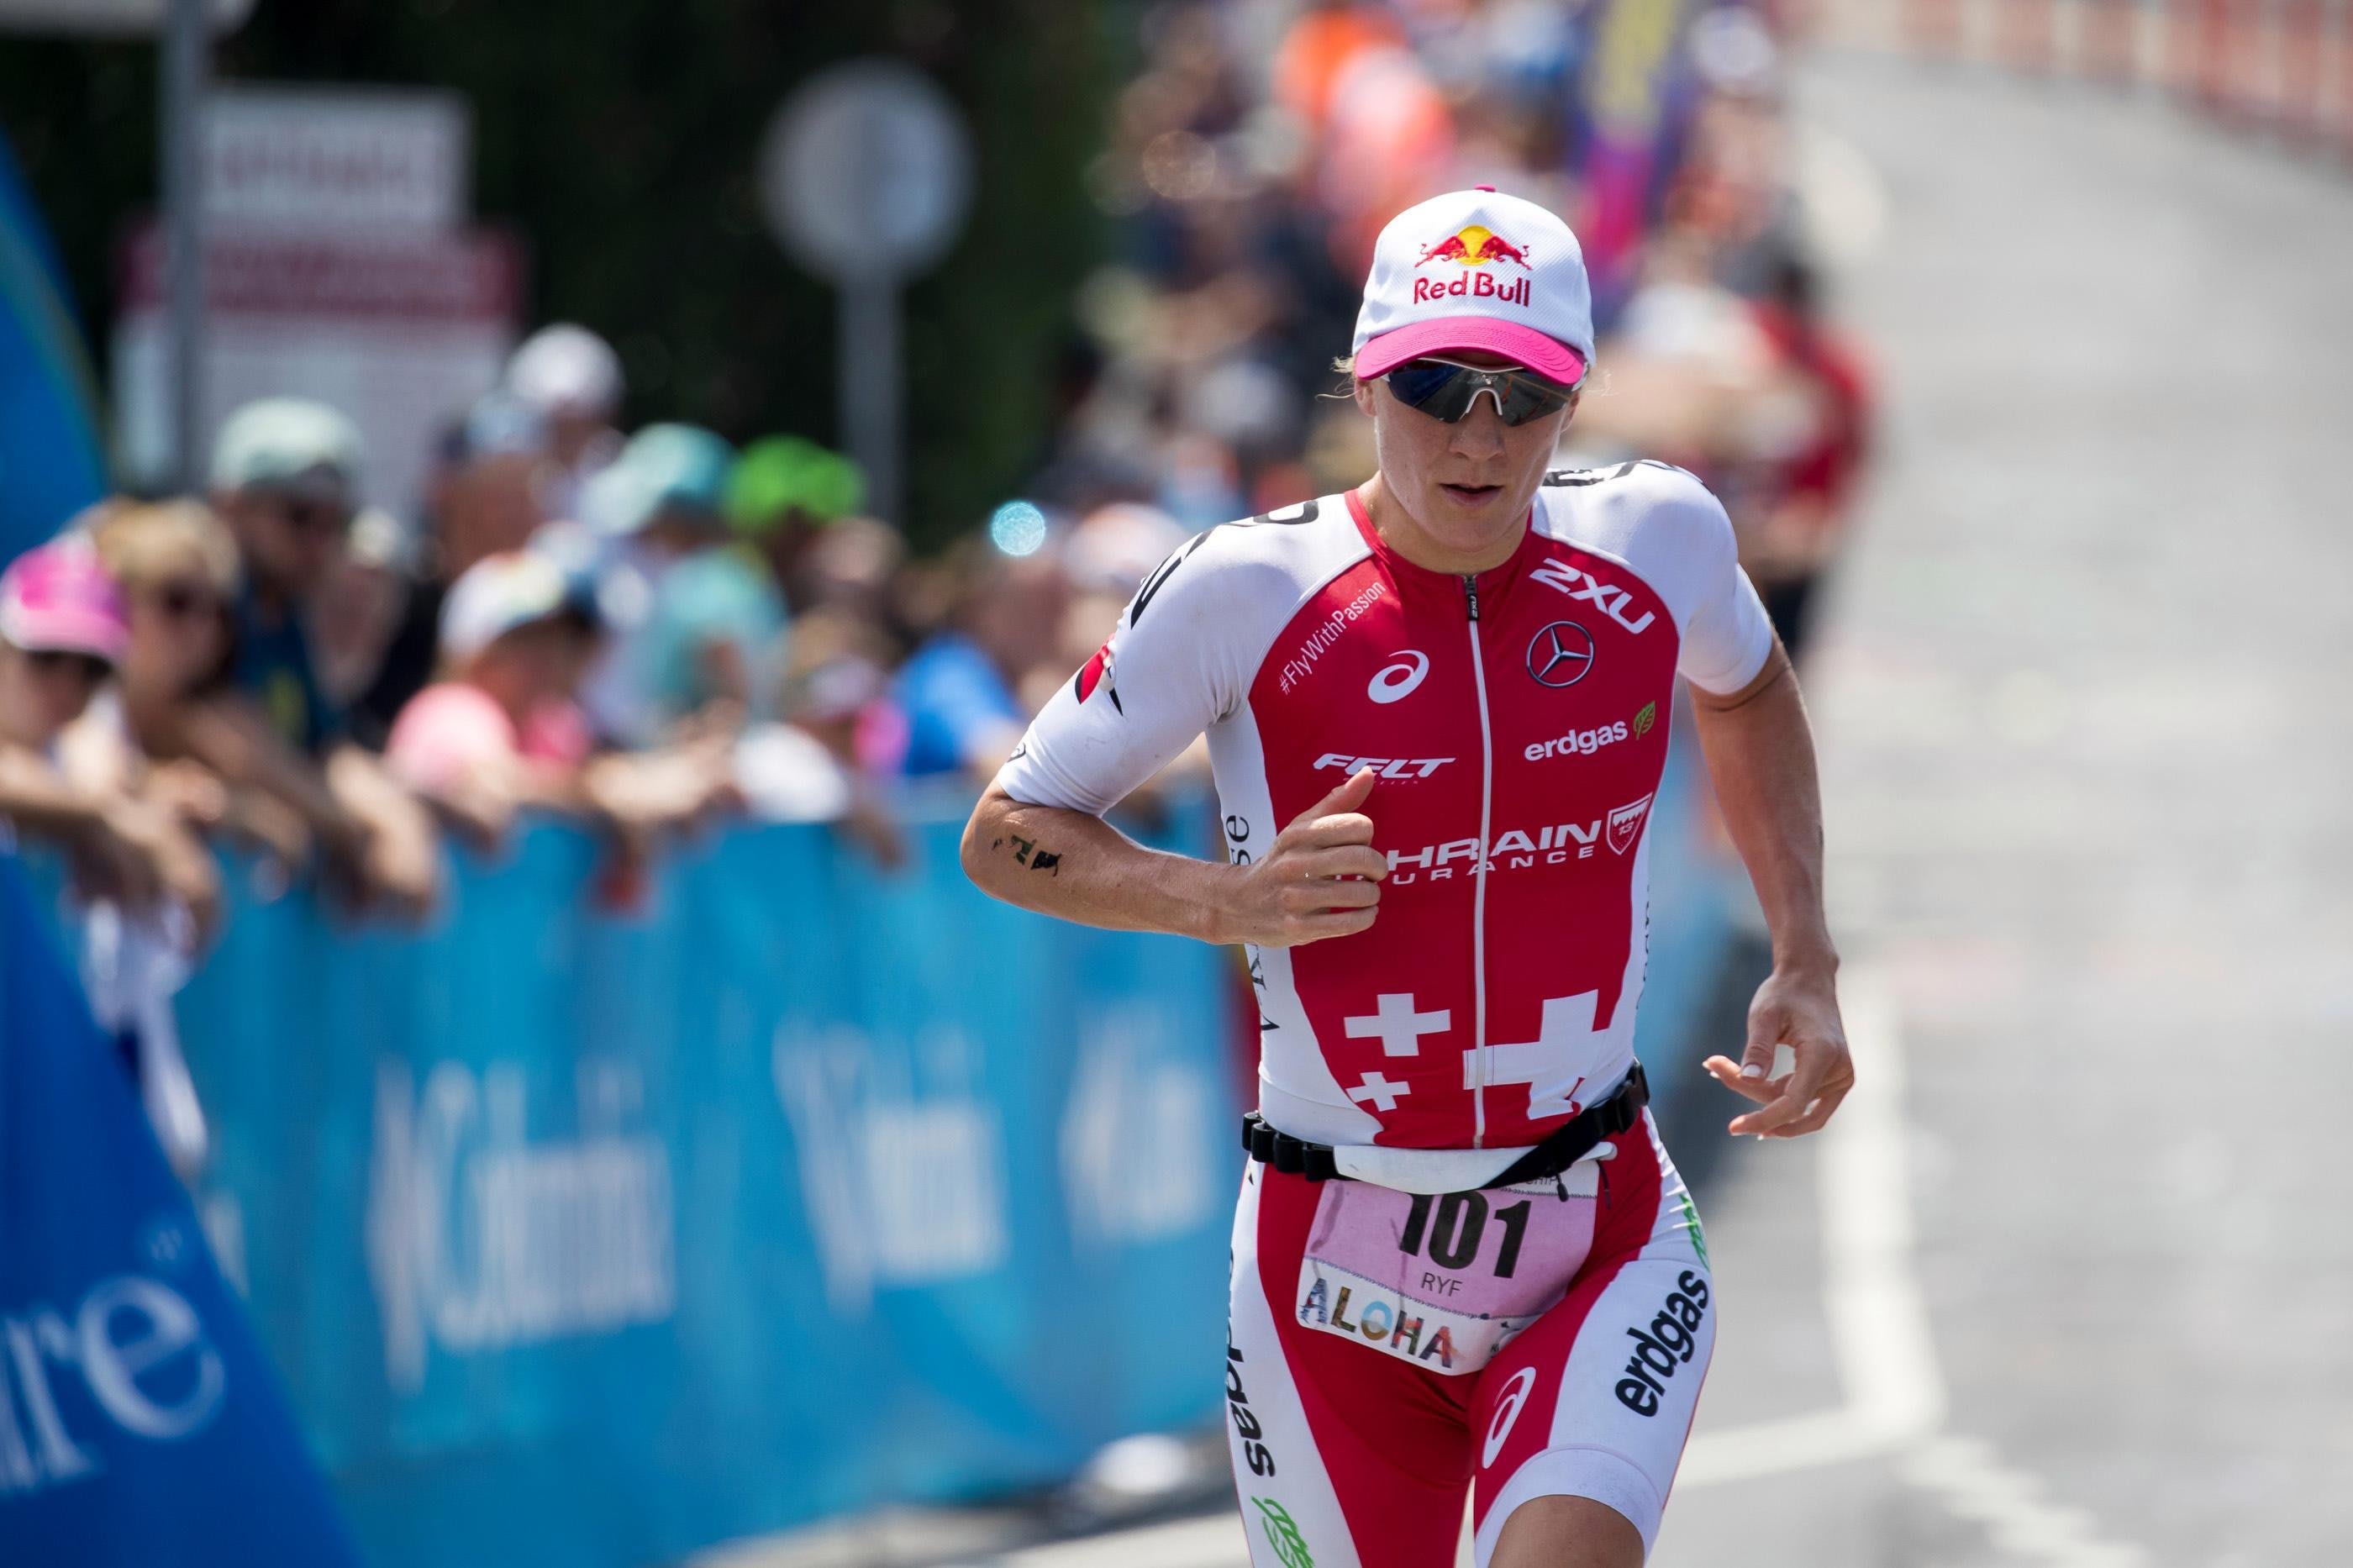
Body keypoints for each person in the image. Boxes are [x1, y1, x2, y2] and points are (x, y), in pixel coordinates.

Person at [962, 188, 1852, 1568]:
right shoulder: (1244, 588)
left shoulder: (1657, 536)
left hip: (1598, 1219)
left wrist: (1803, 952)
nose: (1479, 436)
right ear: (1365, 383)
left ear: (1575, 398)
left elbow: (1745, 687)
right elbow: (1007, 829)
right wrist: (1224, 901)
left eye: (1524, 394)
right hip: (1327, 1254)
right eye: (1438, 387)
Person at [204, 398, 439, 917]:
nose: (319, 541)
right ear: (230, 506)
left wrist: (395, 820)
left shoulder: (284, 616)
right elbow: (205, 724)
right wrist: (347, 826)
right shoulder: (195, 600)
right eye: (299, 514)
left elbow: (326, 746)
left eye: (337, 522)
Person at [0, 541, 218, 936]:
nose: (66, 684)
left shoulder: (68, 768)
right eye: (47, 656)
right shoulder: (86, 799)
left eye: (91, 669)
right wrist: (116, 818)